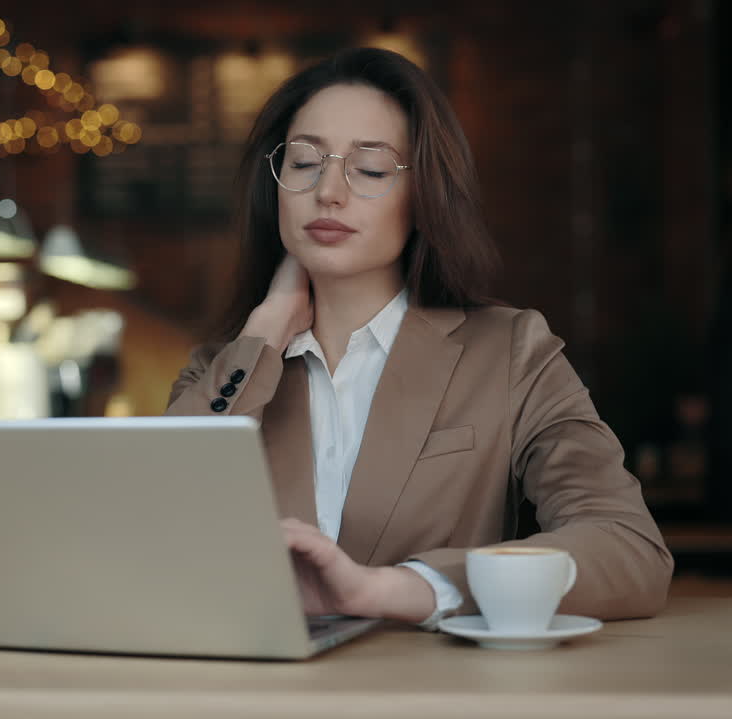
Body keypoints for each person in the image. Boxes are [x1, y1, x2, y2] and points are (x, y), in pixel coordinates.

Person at [165, 48, 673, 629]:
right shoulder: (219, 373)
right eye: (305, 163)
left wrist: (404, 588)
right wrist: (261, 335)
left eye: (372, 169)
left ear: (424, 194)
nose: (328, 191)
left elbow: (629, 549)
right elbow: (145, 533)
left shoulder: (509, 352)